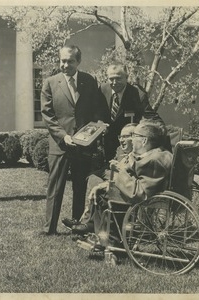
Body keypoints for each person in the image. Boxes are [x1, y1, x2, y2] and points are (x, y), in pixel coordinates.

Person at [40, 45, 103, 235]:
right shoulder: (50, 83)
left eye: (70, 61)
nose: (65, 65)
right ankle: (49, 228)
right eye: (62, 60)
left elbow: (96, 108)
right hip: (60, 144)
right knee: (55, 187)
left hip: (83, 145)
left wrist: (98, 126)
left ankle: (76, 225)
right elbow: (47, 115)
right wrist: (63, 136)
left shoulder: (89, 81)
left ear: (78, 62)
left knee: (79, 185)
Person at [71, 122, 173, 237]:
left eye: (134, 135)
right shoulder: (158, 154)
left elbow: (139, 193)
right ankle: (94, 227)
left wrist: (119, 172)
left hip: (146, 198)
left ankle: (108, 237)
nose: (131, 139)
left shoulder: (154, 160)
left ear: (144, 141)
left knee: (104, 194)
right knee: (104, 188)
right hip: (151, 194)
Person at [61, 123, 137, 230]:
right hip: (112, 177)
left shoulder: (138, 155)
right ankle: (89, 222)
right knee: (93, 178)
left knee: (97, 186)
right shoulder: (120, 150)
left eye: (125, 137)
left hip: (123, 185)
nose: (121, 140)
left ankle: (88, 223)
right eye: (120, 137)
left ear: (135, 137)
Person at [99, 63, 153, 163]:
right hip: (108, 142)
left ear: (126, 77)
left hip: (129, 145)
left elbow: (148, 120)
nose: (114, 82)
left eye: (118, 78)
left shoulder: (138, 95)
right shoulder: (103, 89)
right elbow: (97, 111)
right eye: (111, 79)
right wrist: (100, 123)